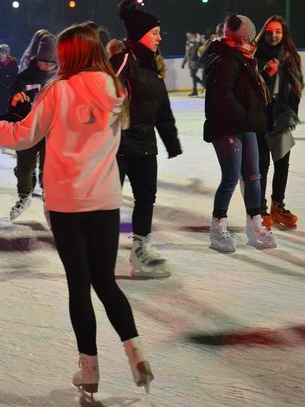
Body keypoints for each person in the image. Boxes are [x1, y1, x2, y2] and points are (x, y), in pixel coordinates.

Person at [0, 23, 154, 397]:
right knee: (106, 281)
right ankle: (136, 352)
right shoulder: (115, 89)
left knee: (79, 285)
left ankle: (89, 367)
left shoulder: (58, 90)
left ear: (70, 55)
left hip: (68, 203)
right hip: (104, 200)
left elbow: (22, 135)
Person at [110, 0, 182, 278]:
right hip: (118, 144)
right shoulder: (124, 59)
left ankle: (140, 247)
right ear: (140, 34)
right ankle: (97, 249)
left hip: (145, 143)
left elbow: (162, 109)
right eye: (154, 33)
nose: (159, 37)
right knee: (108, 200)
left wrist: (171, 141)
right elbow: (105, 94)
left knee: (146, 197)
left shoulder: (153, 65)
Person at [203, 14, 277, 252]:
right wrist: (244, 117)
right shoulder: (226, 58)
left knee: (254, 177)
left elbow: (246, 91)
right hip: (228, 127)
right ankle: (218, 227)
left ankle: (255, 224)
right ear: (244, 36)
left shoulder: (242, 58)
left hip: (246, 126)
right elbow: (222, 95)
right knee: (231, 178)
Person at [255, 15, 303, 229]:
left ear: (284, 34)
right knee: (261, 166)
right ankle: (260, 209)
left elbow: (296, 88)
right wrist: (263, 72)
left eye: (278, 32)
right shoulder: (254, 55)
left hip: (282, 116)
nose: (273, 35)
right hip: (259, 116)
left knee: (282, 164)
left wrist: (291, 113)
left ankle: (277, 206)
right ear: (263, 33)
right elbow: (246, 85)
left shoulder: (291, 57)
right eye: (269, 31)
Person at [8, 34, 57, 221]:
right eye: (44, 61)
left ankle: (50, 203)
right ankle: (24, 195)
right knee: (24, 167)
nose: (48, 66)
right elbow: (11, 103)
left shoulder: (60, 77)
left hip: (51, 132)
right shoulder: (24, 77)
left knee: (50, 168)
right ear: (38, 58)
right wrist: (16, 104)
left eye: (52, 63)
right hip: (27, 127)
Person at [0, 44, 18, 115]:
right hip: (0, 90)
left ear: (7, 53)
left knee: (11, 109)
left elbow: (15, 75)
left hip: (11, 89)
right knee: (0, 109)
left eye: (3, 53)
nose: (1, 55)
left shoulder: (13, 62)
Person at [181, 31, 204, 97]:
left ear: (193, 35)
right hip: (191, 63)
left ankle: (199, 87)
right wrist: (183, 63)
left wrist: (197, 40)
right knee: (193, 76)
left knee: (193, 75)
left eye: (189, 35)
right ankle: (198, 88)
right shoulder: (188, 43)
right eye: (187, 36)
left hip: (195, 62)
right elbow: (186, 54)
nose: (188, 37)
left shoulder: (196, 43)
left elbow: (198, 48)